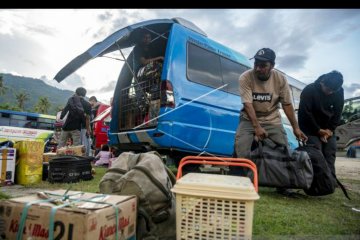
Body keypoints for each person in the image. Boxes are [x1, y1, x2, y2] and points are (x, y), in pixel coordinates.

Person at [233, 48, 307, 196]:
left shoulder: (280, 79)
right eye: (256, 64)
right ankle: (245, 182)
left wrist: (296, 128)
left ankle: (283, 185)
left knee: (283, 148)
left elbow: (287, 104)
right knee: (241, 146)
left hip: (272, 118)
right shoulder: (245, 77)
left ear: (272, 65)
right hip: (249, 119)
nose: (258, 68)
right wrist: (257, 127)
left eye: (263, 65)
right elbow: (248, 104)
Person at [298, 70, 344, 177]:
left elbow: (338, 112)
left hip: (327, 128)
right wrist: (318, 130)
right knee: (316, 153)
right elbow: (305, 114)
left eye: (333, 91)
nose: (330, 93)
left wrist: (329, 130)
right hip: (310, 128)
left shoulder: (338, 90)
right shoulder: (309, 90)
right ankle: (315, 181)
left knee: (330, 152)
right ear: (322, 82)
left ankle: (330, 181)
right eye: (328, 89)